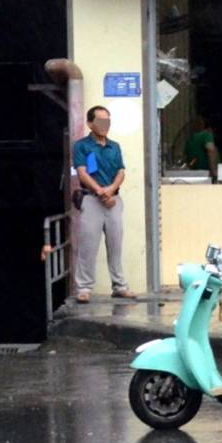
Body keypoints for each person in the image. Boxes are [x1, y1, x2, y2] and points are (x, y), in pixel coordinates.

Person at [73, 105, 134, 303]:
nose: (104, 125)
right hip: (92, 199)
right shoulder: (82, 146)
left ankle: (119, 286)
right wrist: (100, 191)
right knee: (88, 246)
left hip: (113, 200)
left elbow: (121, 172)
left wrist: (110, 190)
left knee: (115, 245)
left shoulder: (114, 146)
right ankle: (83, 288)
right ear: (90, 123)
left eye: (107, 120)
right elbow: (82, 172)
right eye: (100, 121)